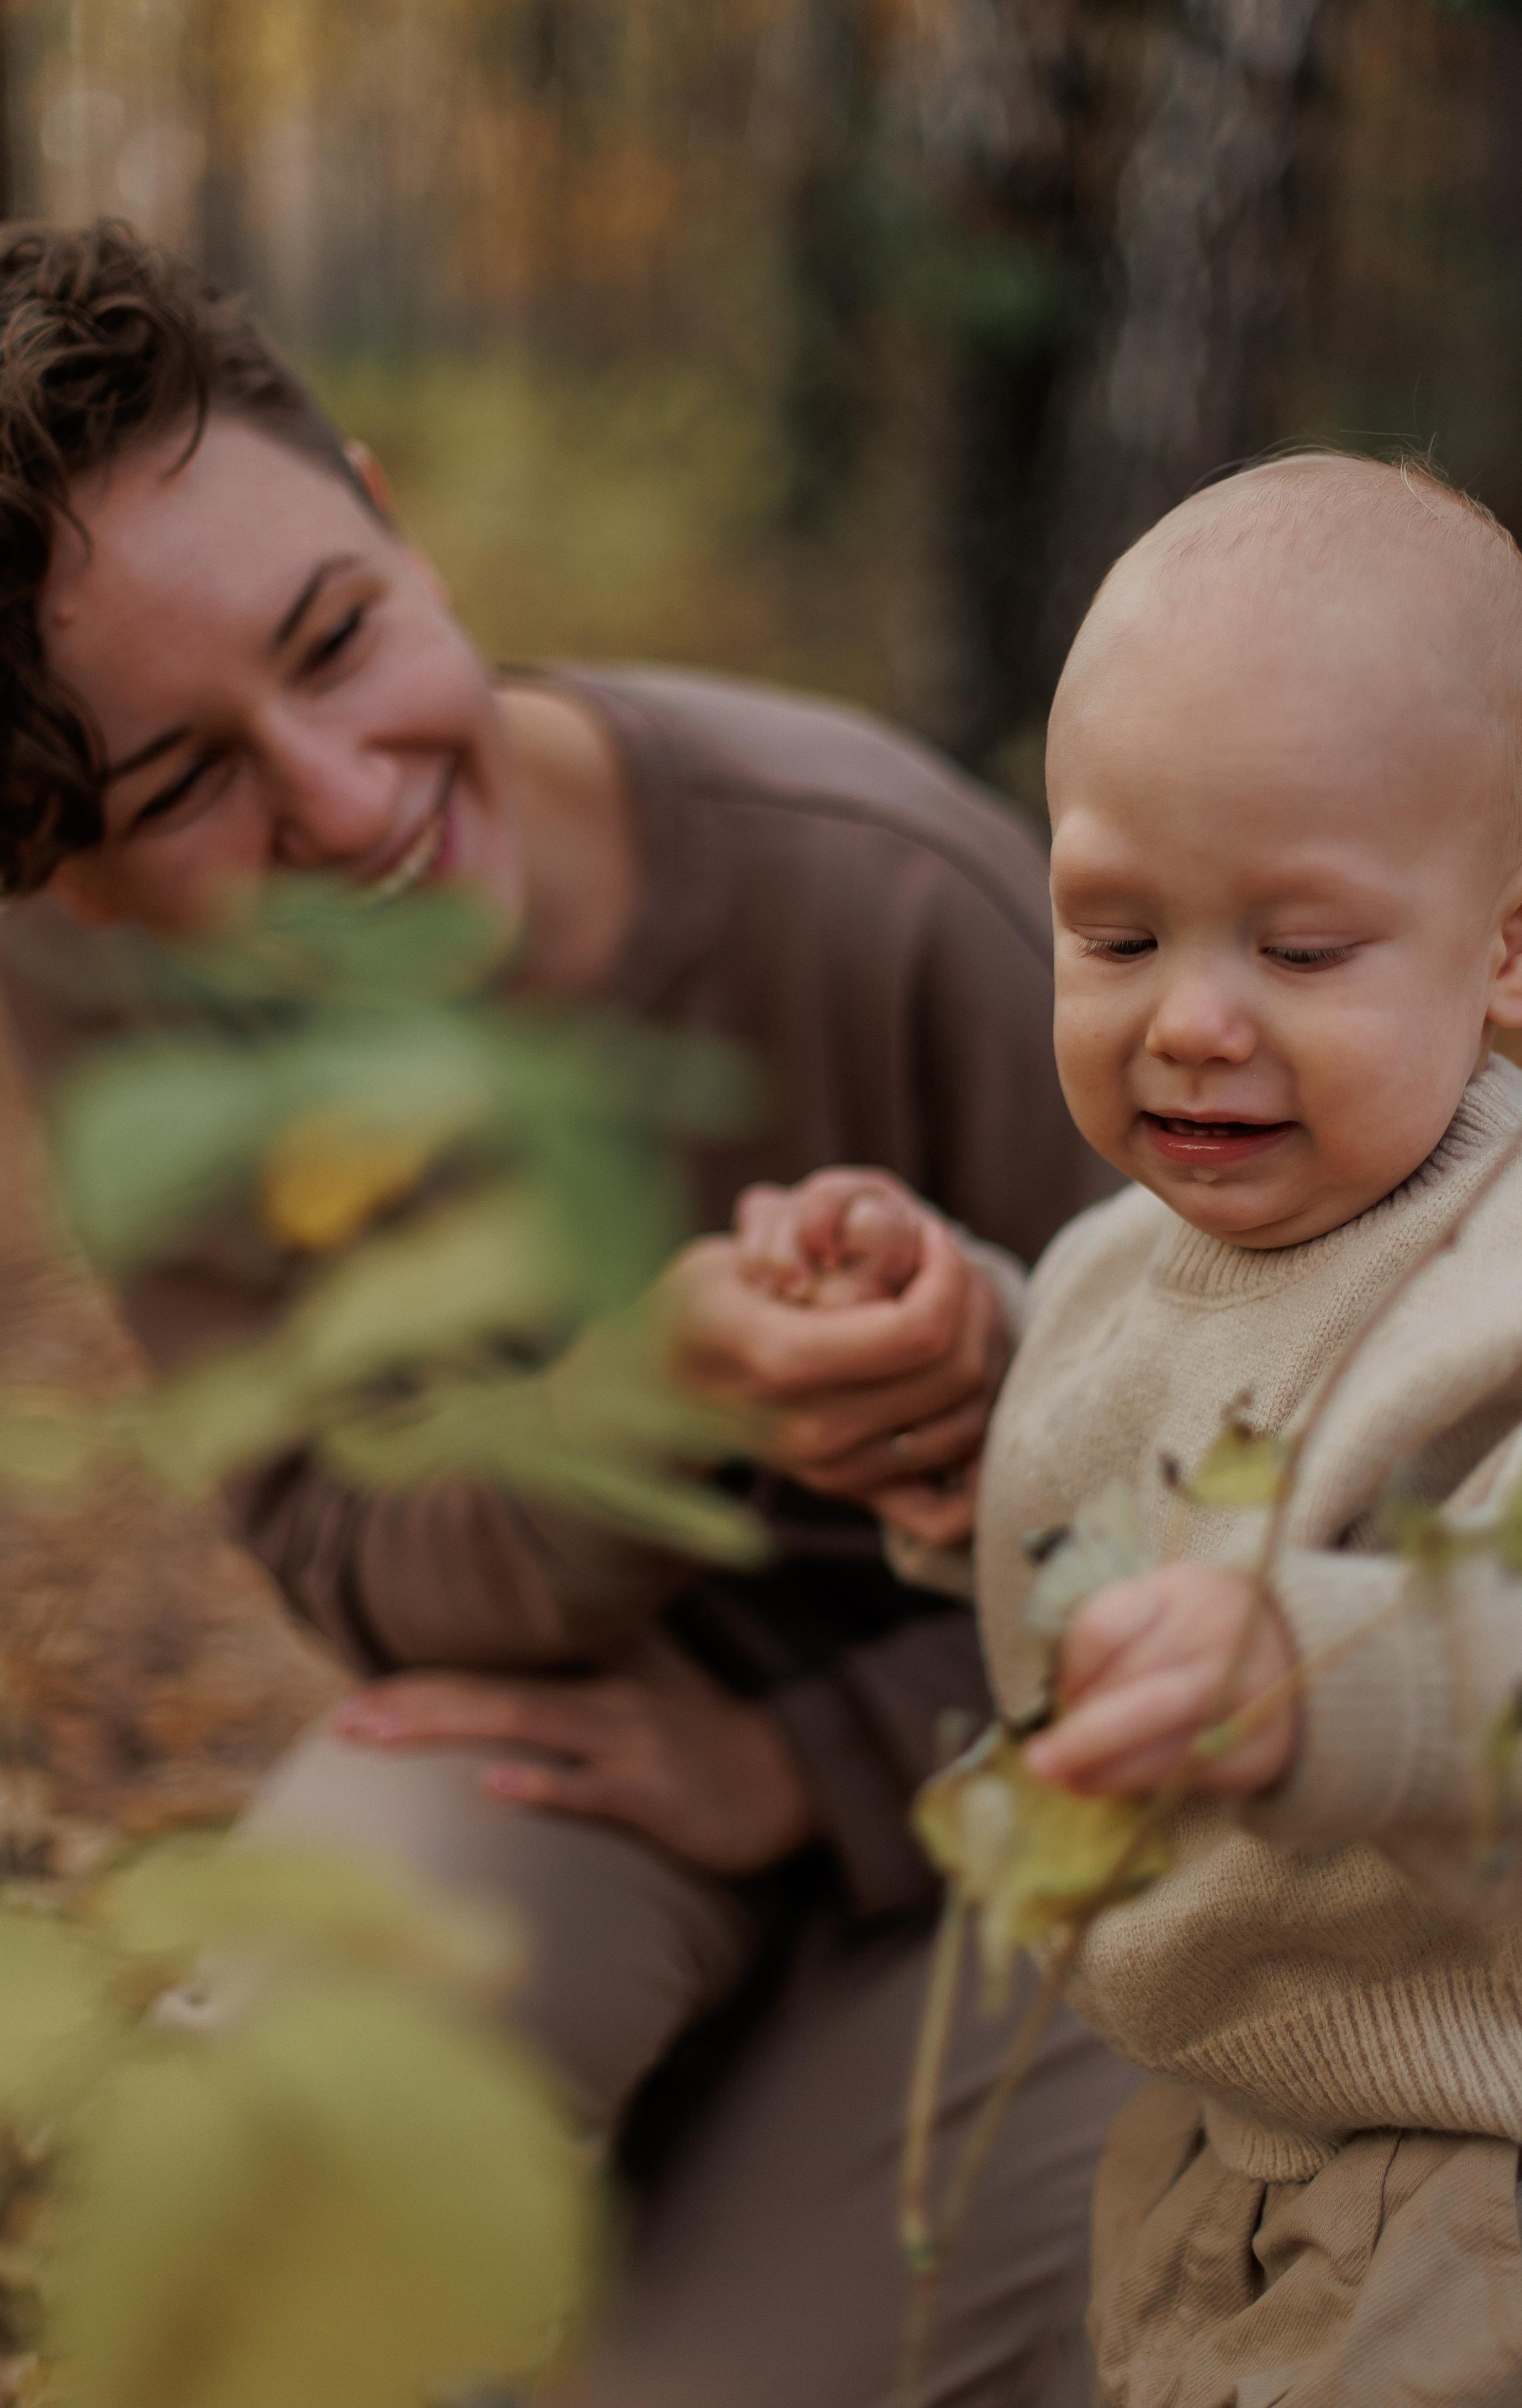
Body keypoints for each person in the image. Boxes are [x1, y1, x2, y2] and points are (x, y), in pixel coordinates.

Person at [0, 220, 1137, 2406]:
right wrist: (633, 1404)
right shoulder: (105, 993)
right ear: (75, 878)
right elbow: (346, 1546)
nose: (341, 801)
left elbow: (1321, 1550)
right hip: (570, 1773)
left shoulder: (900, 899)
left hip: (1055, 1829)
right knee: (265, 2196)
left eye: (336, 641)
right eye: (182, 791)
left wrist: (799, 1768)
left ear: (392, 518)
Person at [794, 450, 1522, 2405]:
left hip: (1493, 2185)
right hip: (1212, 2125)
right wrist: (955, 1363)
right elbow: (1139, 1424)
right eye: (1119, 933)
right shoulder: (1130, 1256)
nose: (1194, 1022)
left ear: (1518, 935)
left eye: (1300, 949)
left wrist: (1321, 1669)